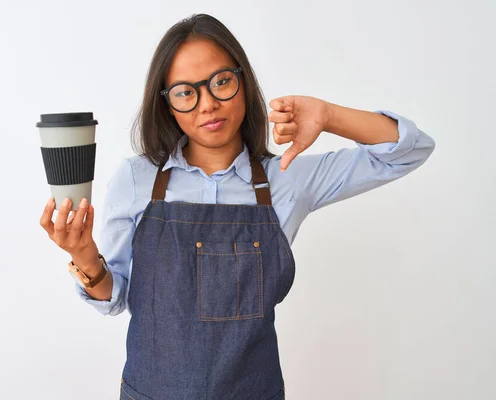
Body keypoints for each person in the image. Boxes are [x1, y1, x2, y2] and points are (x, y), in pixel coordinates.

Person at [39, 13, 435, 400]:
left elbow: (408, 151)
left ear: (243, 82)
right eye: (185, 92)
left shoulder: (287, 178)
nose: (207, 104)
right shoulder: (136, 179)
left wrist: (329, 115)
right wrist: (85, 257)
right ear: (167, 104)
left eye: (221, 82)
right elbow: (117, 299)